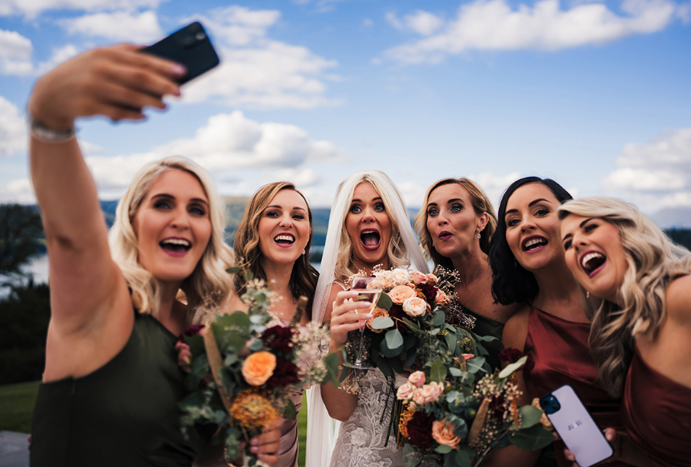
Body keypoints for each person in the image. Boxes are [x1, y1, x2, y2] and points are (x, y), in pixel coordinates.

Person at [27, 45, 281, 467]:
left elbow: (197, 455)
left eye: (197, 210)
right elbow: (72, 234)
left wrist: (246, 444)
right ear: (132, 220)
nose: (181, 220)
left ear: (207, 233)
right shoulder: (100, 305)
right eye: (163, 204)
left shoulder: (206, 337)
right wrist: (49, 113)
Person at [485, 177, 628, 467]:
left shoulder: (627, 300)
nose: (525, 224)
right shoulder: (517, 329)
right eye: (513, 222)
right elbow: (523, 442)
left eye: (540, 211)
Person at [558, 197, 691, 467]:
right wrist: (625, 451)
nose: (576, 242)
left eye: (589, 228)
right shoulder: (631, 336)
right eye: (567, 243)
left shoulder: (682, 296)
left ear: (629, 234)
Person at [306, 170, 429, 467]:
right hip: (363, 457)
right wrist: (337, 342)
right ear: (344, 223)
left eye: (379, 206)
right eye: (356, 208)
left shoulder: (420, 291)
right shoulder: (337, 297)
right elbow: (340, 411)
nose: (368, 216)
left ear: (393, 218)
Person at [229, 182, 318, 467]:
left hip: (286, 454)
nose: (286, 222)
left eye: (298, 215)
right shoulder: (226, 294)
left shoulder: (316, 297)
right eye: (273, 213)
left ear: (307, 235)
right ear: (253, 227)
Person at [414, 178, 518, 371]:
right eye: (433, 212)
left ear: (481, 221)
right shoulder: (434, 290)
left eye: (455, 208)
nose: (441, 219)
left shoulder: (512, 279)